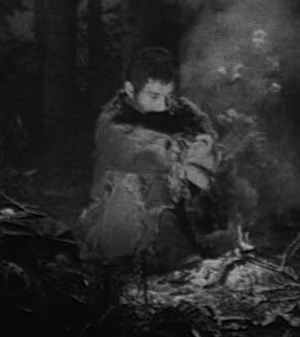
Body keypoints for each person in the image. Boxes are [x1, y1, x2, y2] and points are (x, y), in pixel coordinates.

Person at [76, 47, 223, 271]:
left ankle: (190, 244)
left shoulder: (180, 109)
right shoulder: (112, 121)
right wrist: (185, 155)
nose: (163, 105)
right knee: (144, 178)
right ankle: (175, 254)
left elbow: (207, 139)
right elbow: (146, 156)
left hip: (176, 211)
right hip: (118, 217)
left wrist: (194, 156)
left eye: (168, 96)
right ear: (130, 90)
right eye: (153, 96)